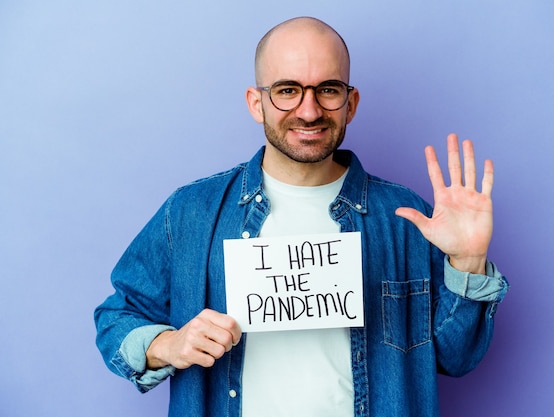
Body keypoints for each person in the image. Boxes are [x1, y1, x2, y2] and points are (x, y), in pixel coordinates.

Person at [94, 16, 508, 417]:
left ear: (351, 103)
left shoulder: (407, 218)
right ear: (257, 103)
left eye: (327, 90)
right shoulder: (191, 213)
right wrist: (168, 344)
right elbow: (116, 318)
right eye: (287, 90)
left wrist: (468, 264)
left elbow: (457, 358)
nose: (309, 111)